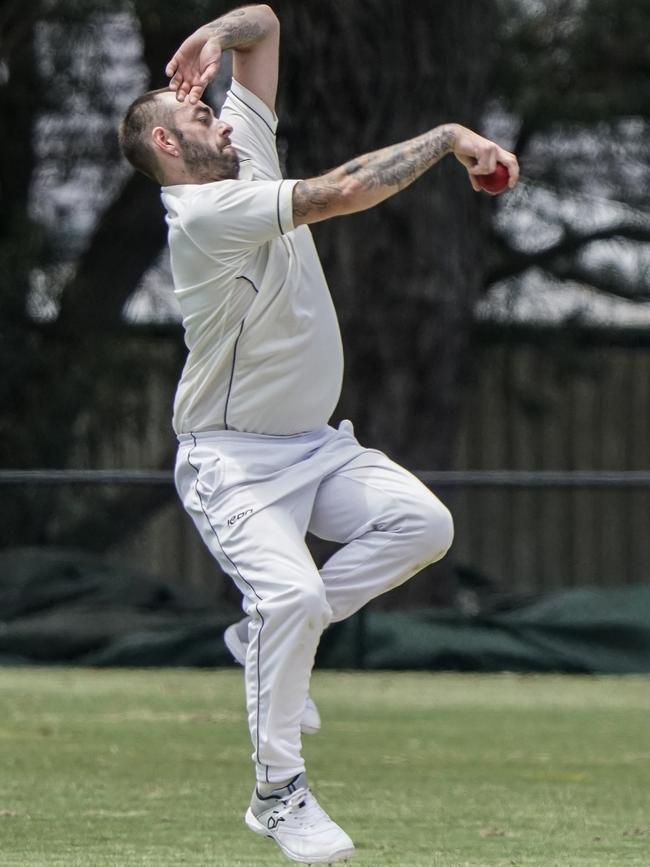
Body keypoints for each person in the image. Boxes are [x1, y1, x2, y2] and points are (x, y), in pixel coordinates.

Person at [118, 4, 519, 863]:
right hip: (231, 460)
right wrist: (451, 136)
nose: (216, 116)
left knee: (424, 525)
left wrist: (216, 36)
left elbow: (265, 25)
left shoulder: (243, 149)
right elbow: (342, 192)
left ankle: (259, 644)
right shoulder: (202, 215)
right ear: (163, 147)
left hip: (314, 444)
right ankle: (276, 793)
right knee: (291, 599)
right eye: (195, 114)